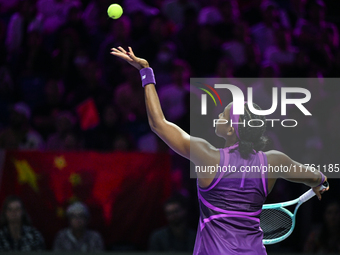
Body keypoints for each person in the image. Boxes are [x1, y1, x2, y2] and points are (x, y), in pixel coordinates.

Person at [110, 46, 329, 255]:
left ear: (233, 129)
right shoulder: (273, 161)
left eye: (223, 115)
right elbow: (312, 175)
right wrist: (318, 181)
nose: (218, 117)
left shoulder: (207, 156)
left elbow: (158, 124)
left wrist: (146, 72)